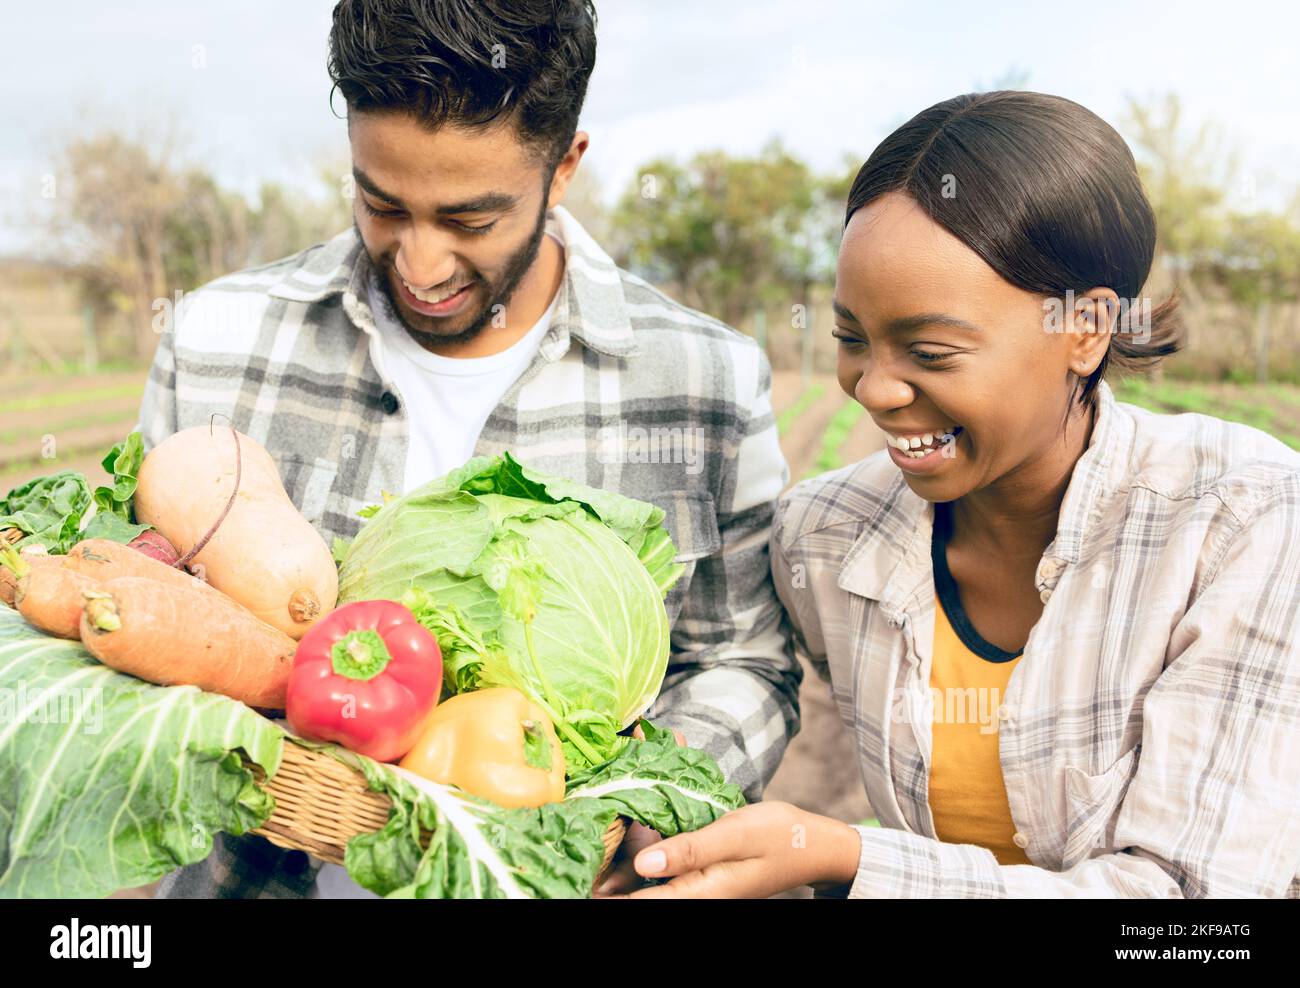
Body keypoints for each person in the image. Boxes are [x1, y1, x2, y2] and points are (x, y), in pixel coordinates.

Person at [144, 0, 799, 898]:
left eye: (470, 221)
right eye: (382, 204)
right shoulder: (214, 340)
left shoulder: (703, 378)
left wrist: (640, 814)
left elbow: (745, 661)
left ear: (563, 166)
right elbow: (142, 606)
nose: (419, 262)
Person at [619, 91, 1300, 899]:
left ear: (1085, 328)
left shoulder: (1243, 519)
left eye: (931, 352)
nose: (873, 388)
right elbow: (732, 664)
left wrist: (849, 860)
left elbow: (1193, 915)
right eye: (850, 339)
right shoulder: (825, 536)